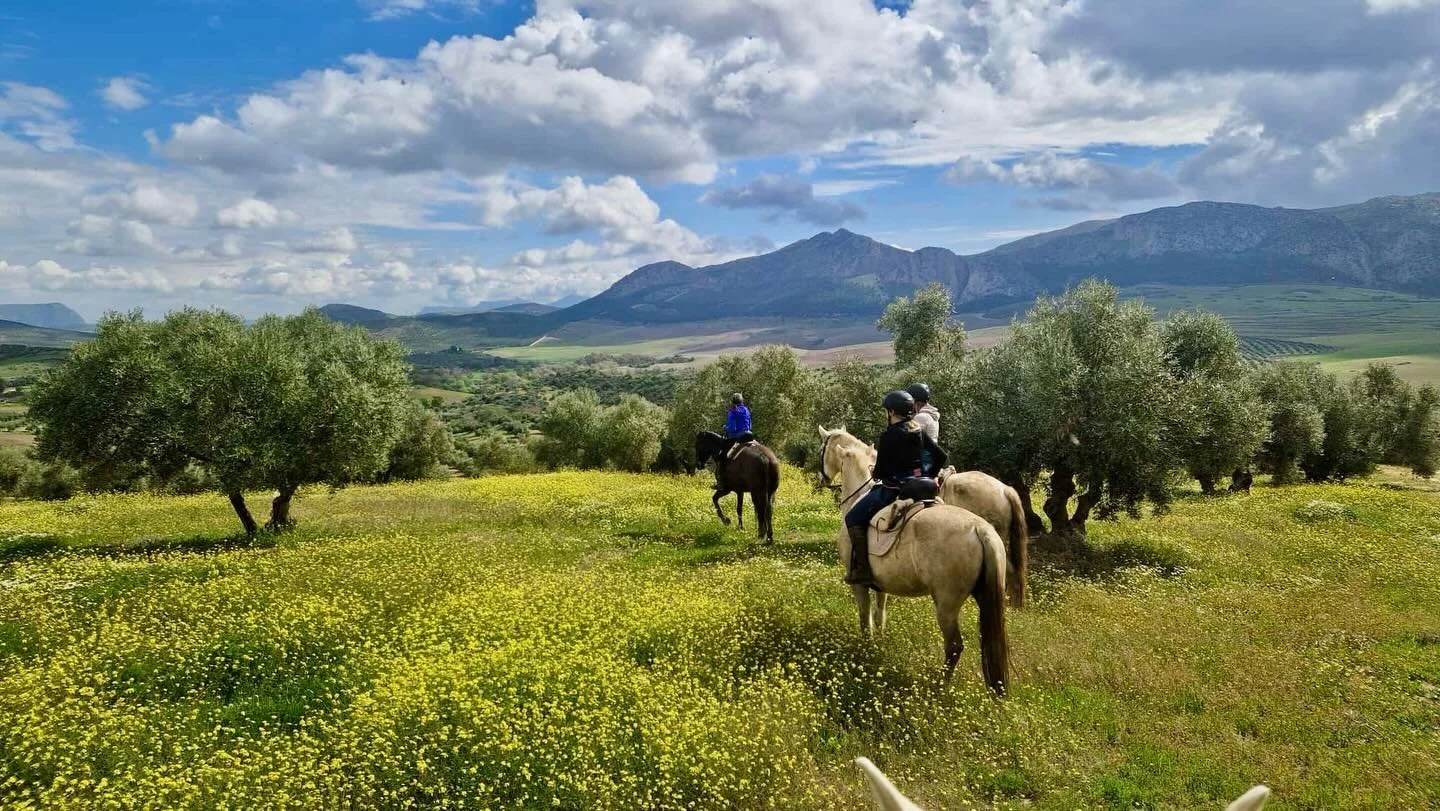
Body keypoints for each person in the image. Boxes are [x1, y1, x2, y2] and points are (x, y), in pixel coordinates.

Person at [844, 390, 948, 588]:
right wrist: (928, 475)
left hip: (896, 489)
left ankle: (863, 571)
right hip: (924, 487)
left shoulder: (889, 435)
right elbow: (941, 456)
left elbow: (881, 471)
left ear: (891, 412)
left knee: (852, 518)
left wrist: (876, 472)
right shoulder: (918, 429)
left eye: (886, 411)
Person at [907, 383, 940, 475]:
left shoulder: (921, 417)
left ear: (914, 401)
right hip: (932, 457)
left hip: (923, 460)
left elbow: (910, 442)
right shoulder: (931, 415)